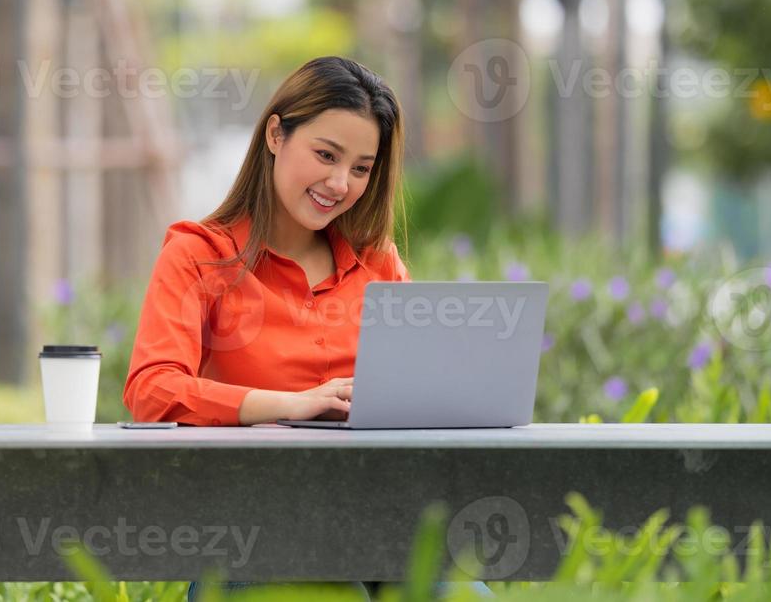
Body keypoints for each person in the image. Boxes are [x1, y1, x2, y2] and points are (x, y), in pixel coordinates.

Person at [123, 56, 495, 600]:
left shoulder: (379, 265)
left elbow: (420, 394)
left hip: (384, 527)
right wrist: (288, 403)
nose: (340, 183)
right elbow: (151, 390)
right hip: (256, 537)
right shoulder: (200, 256)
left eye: (362, 168)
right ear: (276, 134)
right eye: (325, 155)